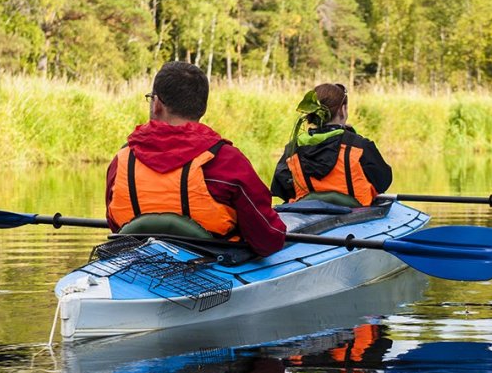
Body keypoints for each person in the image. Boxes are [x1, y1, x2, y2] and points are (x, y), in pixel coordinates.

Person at [105, 61, 286, 256]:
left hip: (135, 262)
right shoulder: (227, 161)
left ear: (156, 104)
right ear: (202, 108)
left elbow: (115, 225)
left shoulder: (122, 160)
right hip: (213, 264)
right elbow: (269, 239)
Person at [269, 82, 392, 207]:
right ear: (342, 110)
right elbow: (383, 182)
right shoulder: (359, 146)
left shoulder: (293, 149)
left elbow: (280, 188)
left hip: (308, 213)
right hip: (357, 212)